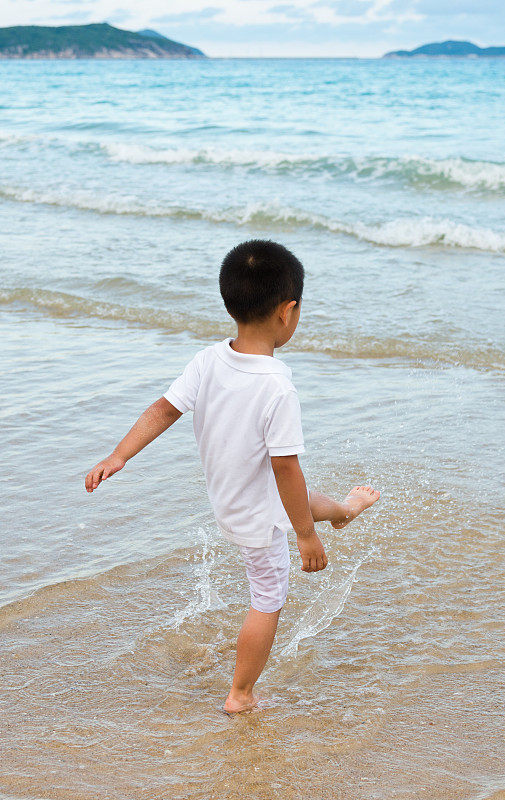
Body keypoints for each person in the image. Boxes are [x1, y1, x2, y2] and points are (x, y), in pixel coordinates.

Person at [85, 239, 380, 714]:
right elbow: (285, 466)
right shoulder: (276, 386)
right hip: (256, 515)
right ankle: (240, 695)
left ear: (230, 303)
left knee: (302, 495)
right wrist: (305, 536)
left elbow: (164, 409)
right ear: (288, 312)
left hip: (231, 495)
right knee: (269, 597)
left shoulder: (208, 359)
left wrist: (120, 455)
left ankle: (344, 511)